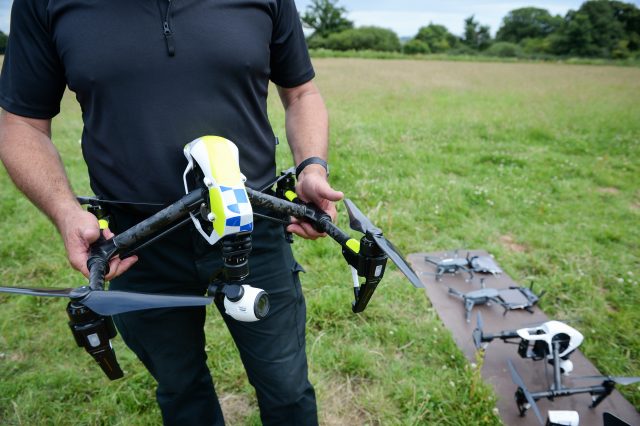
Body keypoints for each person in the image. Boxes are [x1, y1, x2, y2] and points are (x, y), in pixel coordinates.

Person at [0, 0, 343, 424]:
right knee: (181, 390)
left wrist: (312, 165)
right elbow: (21, 124)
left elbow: (301, 92)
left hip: (252, 227)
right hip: (136, 245)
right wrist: (66, 213)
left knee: (287, 389)